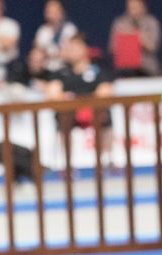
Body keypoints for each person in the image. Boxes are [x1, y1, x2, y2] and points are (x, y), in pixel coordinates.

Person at [48, 33, 115, 164]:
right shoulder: (61, 72)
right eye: (69, 47)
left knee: (102, 111)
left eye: (75, 47)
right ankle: (67, 162)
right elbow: (52, 93)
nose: (71, 50)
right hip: (70, 113)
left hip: (94, 112)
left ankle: (104, 160)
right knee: (63, 114)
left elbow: (105, 92)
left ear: (85, 49)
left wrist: (79, 99)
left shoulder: (98, 71)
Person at [108, 0, 162, 77]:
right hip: (124, 68)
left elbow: (152, 47)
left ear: (143, 7)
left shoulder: (151, 22)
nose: (133, 10)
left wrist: (136, 37)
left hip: (146, 68)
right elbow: (112, 48)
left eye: (135, 7)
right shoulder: (120, 23)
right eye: (131, 7)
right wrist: (124, 40)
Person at [33, 0, 77, 75]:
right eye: (48, 11)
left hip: (65, 69)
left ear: (61, 11)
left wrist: (49, 53)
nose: (50, 14)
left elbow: (69, 54)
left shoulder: (70, 29)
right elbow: (38, 51)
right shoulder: (43, 30)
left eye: (54, 11)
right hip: (45, 70)